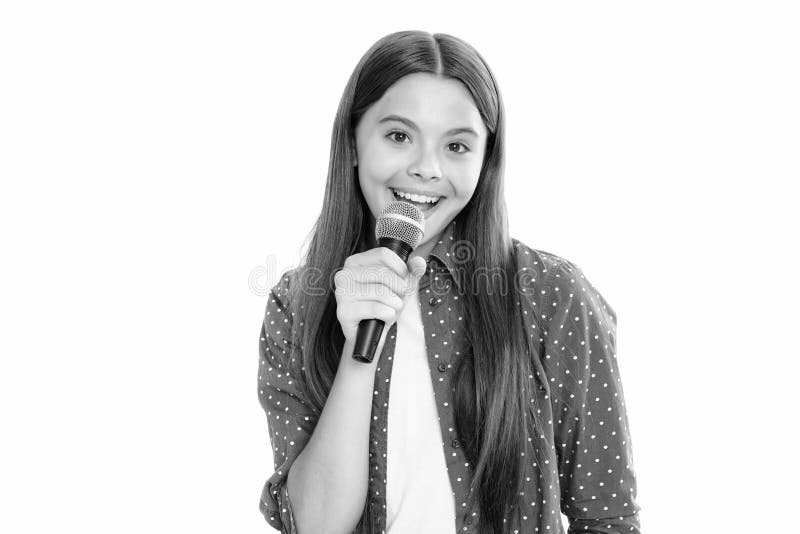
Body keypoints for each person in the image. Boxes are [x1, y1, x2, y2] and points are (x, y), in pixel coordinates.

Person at [257, 30, 641, 534]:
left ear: (485, 162)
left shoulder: (552, 294)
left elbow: (607, 518)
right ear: (353, 143)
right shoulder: (297, 302)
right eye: (399, 136)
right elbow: (317, 524)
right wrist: (359, 351)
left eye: (457, 145)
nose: (426, 169)